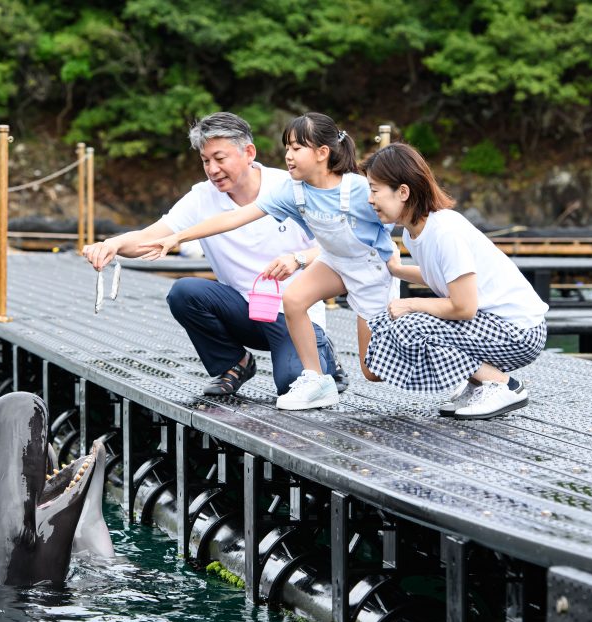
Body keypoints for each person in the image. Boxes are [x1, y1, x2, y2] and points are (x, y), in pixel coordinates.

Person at [139, 112, 398, 411]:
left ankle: (461, 373)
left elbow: (400, 213)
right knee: (294, 298)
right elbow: (234, 218)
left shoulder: (357, 188)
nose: (288, 156)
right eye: (286, 148)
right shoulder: (291, 190)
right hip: (326, 270)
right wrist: (178, 238)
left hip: (372, 271)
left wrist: (414, 255)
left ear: (322, 153)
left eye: (296, 149)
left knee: (373, 370)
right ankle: (316, 379)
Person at [82, 112, 346, 397]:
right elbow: (151, 237)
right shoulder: (201, 197)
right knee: (184, 292)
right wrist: (113, 244)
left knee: (291, 384)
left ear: (249, 152)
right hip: (242, 311)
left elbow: (333, 245)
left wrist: (298, 258)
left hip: (293, 313)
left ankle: (325, 357)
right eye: (205, 161)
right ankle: (235, 363)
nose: (212, 169)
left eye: (220, 159)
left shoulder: (288, 186)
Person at [361, 142, 548, 419]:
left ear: (403, 192)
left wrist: (411, 304)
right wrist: (397, 270)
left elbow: (464, 307)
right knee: (401, 323)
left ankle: (504, 385)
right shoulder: (416, 233)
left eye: (375, 190)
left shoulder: (445, 232)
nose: (370, 199)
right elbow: (441, 276)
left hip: (519, 332)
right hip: (492, 325)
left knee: (412, 325)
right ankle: (479, 386)